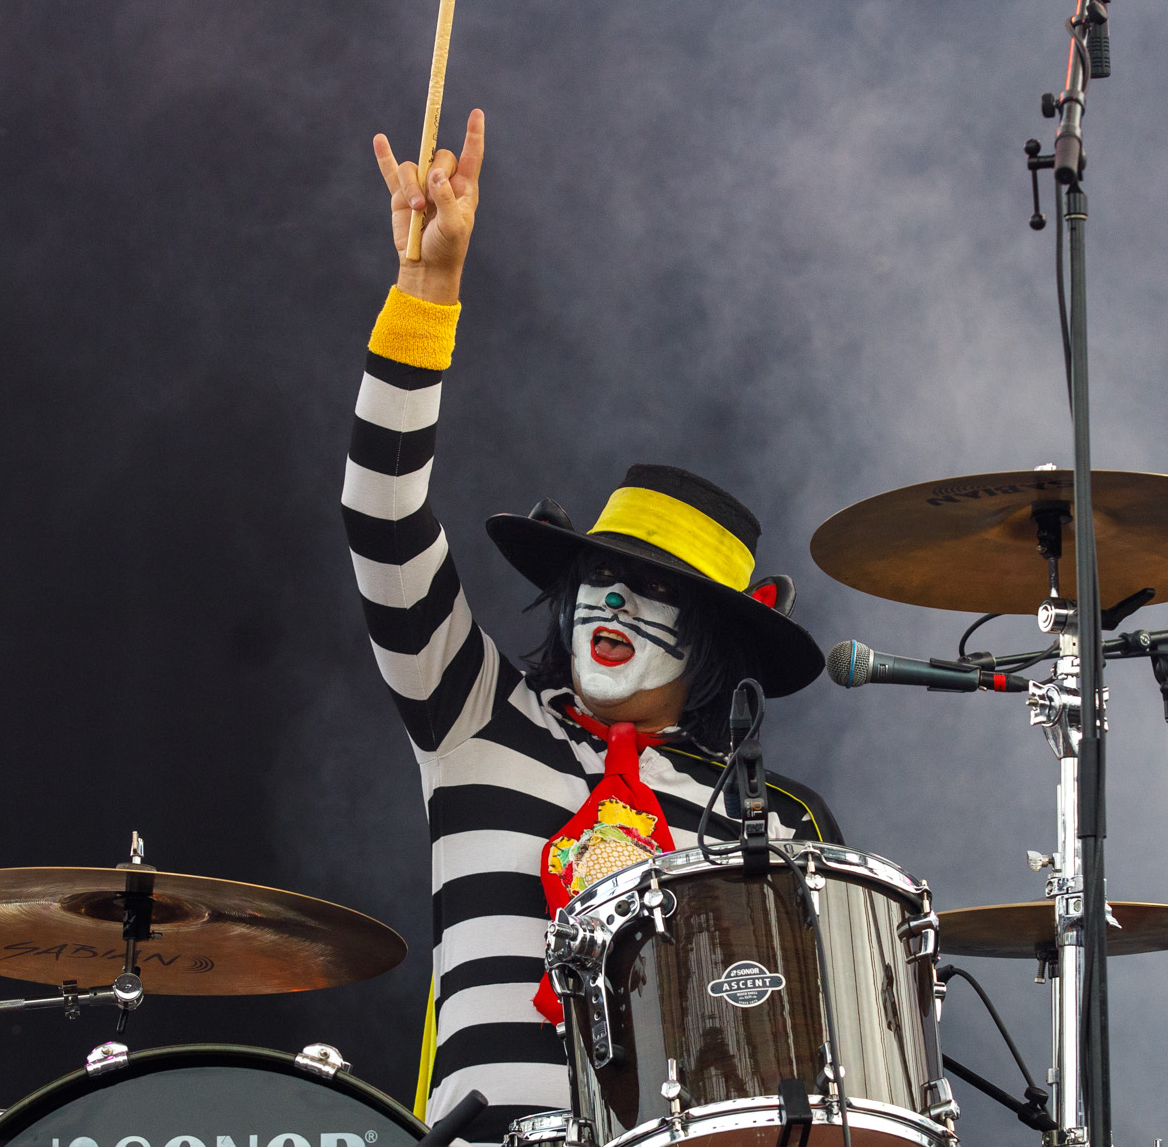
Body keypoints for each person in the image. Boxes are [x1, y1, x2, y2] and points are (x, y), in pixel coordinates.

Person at [345, 109, 843, 1143]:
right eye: (599, 578)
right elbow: (381, 517)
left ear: (714, 640)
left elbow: (808, 1075)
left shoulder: (766, 821)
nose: (612, 602)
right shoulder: (472, 714)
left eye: (653, 591)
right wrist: (427, 293)